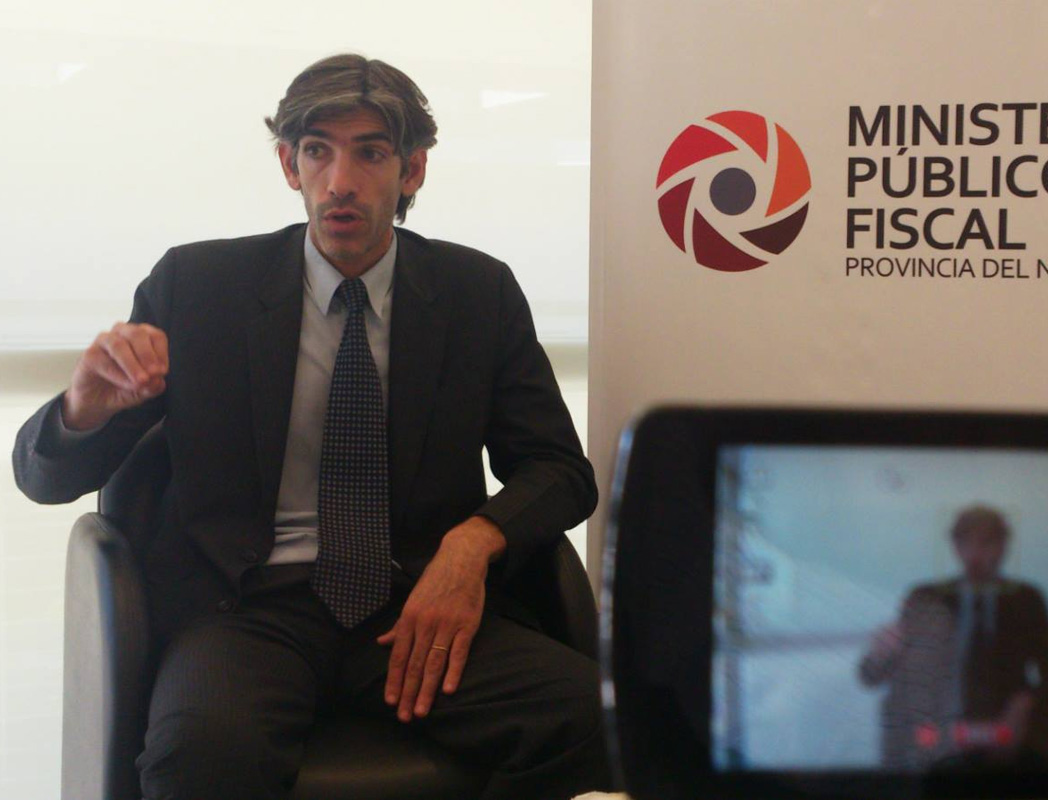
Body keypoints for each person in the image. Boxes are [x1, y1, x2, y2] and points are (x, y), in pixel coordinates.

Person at [13, 54, 609, 800]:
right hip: (245, 610)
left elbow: (560, 470)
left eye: (371, 153)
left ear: (413, 170)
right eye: (318, 151)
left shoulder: (476, 293)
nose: (340, 181)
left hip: (416, 604)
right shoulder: (198, 287)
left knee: (607, 726)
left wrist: (471, 544)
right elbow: (44, 479)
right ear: (288, 165)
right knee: (199, 758)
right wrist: (84, 409)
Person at [859, 505, 1048, 769]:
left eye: (986, 542)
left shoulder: (1026, 599)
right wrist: (880, 655)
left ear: (1003, 546)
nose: (975, 553)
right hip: (941, 740)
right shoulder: (926, 597)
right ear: (955, 547)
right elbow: (871, 675)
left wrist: (1023, 704)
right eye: (965, 542)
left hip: (1013, 737)